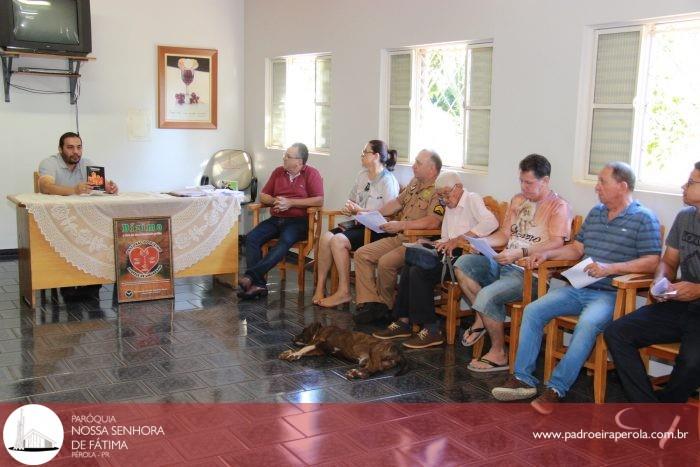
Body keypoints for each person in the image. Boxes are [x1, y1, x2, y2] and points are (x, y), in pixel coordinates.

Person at [492, 162, 661, 415]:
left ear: (623, 186)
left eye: (603, 182)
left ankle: (557, 389)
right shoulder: (596, 213)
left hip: (611, 293)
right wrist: (547, 255)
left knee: (587, 324)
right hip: (580, 286)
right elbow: (577, 249)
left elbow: (652, 261)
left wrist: (611, 268)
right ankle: (523, 380)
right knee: (533, 310)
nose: (597, 187)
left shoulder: (643, 218)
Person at [454, 154, 571, 372]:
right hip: (503, 262)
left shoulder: (558, 206)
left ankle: (499, 353)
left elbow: (557, 243)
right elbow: (504, 234)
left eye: (529, 183)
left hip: (530, 274)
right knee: (463, 264)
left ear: (545, 181)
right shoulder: (518, 200)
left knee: (486, 296)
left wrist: (520, 252)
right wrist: (481, 242)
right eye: (521, 181)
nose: (524, 187)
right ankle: (482, 316)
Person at [604, 162, 700, 404]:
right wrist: (660, 281)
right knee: (617, 332)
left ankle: (665, 409)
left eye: (690, 183)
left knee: (692, 361)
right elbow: (668, 261)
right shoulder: (685, 217)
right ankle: (649, 409)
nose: (684, 187)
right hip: (680, 302)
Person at [372, 171, 499, 348]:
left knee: (419, 271)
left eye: (447, 194)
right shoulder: (448, 206)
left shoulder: (472, 199)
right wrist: (429, 243)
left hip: (465, 259)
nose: (445, 199)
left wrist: (461, 239)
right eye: (441, 195)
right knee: (411, 262)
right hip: (447, 254)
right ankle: (403, 321)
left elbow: (491, 222)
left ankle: (431, 329)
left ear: (459, 187)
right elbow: (446, 237)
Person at [350, 149, 444, 324]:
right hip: (399, 237)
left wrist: (401, 225)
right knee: (362, 254)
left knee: (386, 262)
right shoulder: (415, 182)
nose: (413, 166)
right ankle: (372, 303)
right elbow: (397, 203)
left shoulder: (439, 191)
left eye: (418, 163)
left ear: (432, 170)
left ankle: (386, 307)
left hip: (417, 243)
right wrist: (371, 213)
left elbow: (433, 222)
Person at [312, 140, 400, 308]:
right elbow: (352, 199)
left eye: (365, 152)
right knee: (326, 238)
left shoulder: (388, 181)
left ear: (375, 156)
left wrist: (359, 210)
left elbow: (390, 214)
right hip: (359, 225)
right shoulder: (362, 176)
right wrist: (349, 207)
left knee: (338, 240)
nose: (361, 156)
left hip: (377, 230)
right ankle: (320, 286)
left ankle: (344, 291)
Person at [239, 143, 324, 299]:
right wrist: (275, 201)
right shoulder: (278, 172)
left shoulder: (311, 174)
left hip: (299, 221)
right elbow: (263, 195)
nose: (283, 158)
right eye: (285, 155)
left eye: (288, 156)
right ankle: (258, 285)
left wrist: (291, 203)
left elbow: (318, 200)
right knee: (251, 238)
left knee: (284, 241)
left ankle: (251, 276)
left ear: (299, 161)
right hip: (277, 218)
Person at [38, 132, 119, 195]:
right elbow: (45, 187)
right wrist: (74, 190)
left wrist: (110, 188)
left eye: (79, 147)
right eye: (70, 147)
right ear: (60, 149)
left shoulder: (87, 163)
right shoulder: (48, 163)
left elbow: (102, 187)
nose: (76, 151)